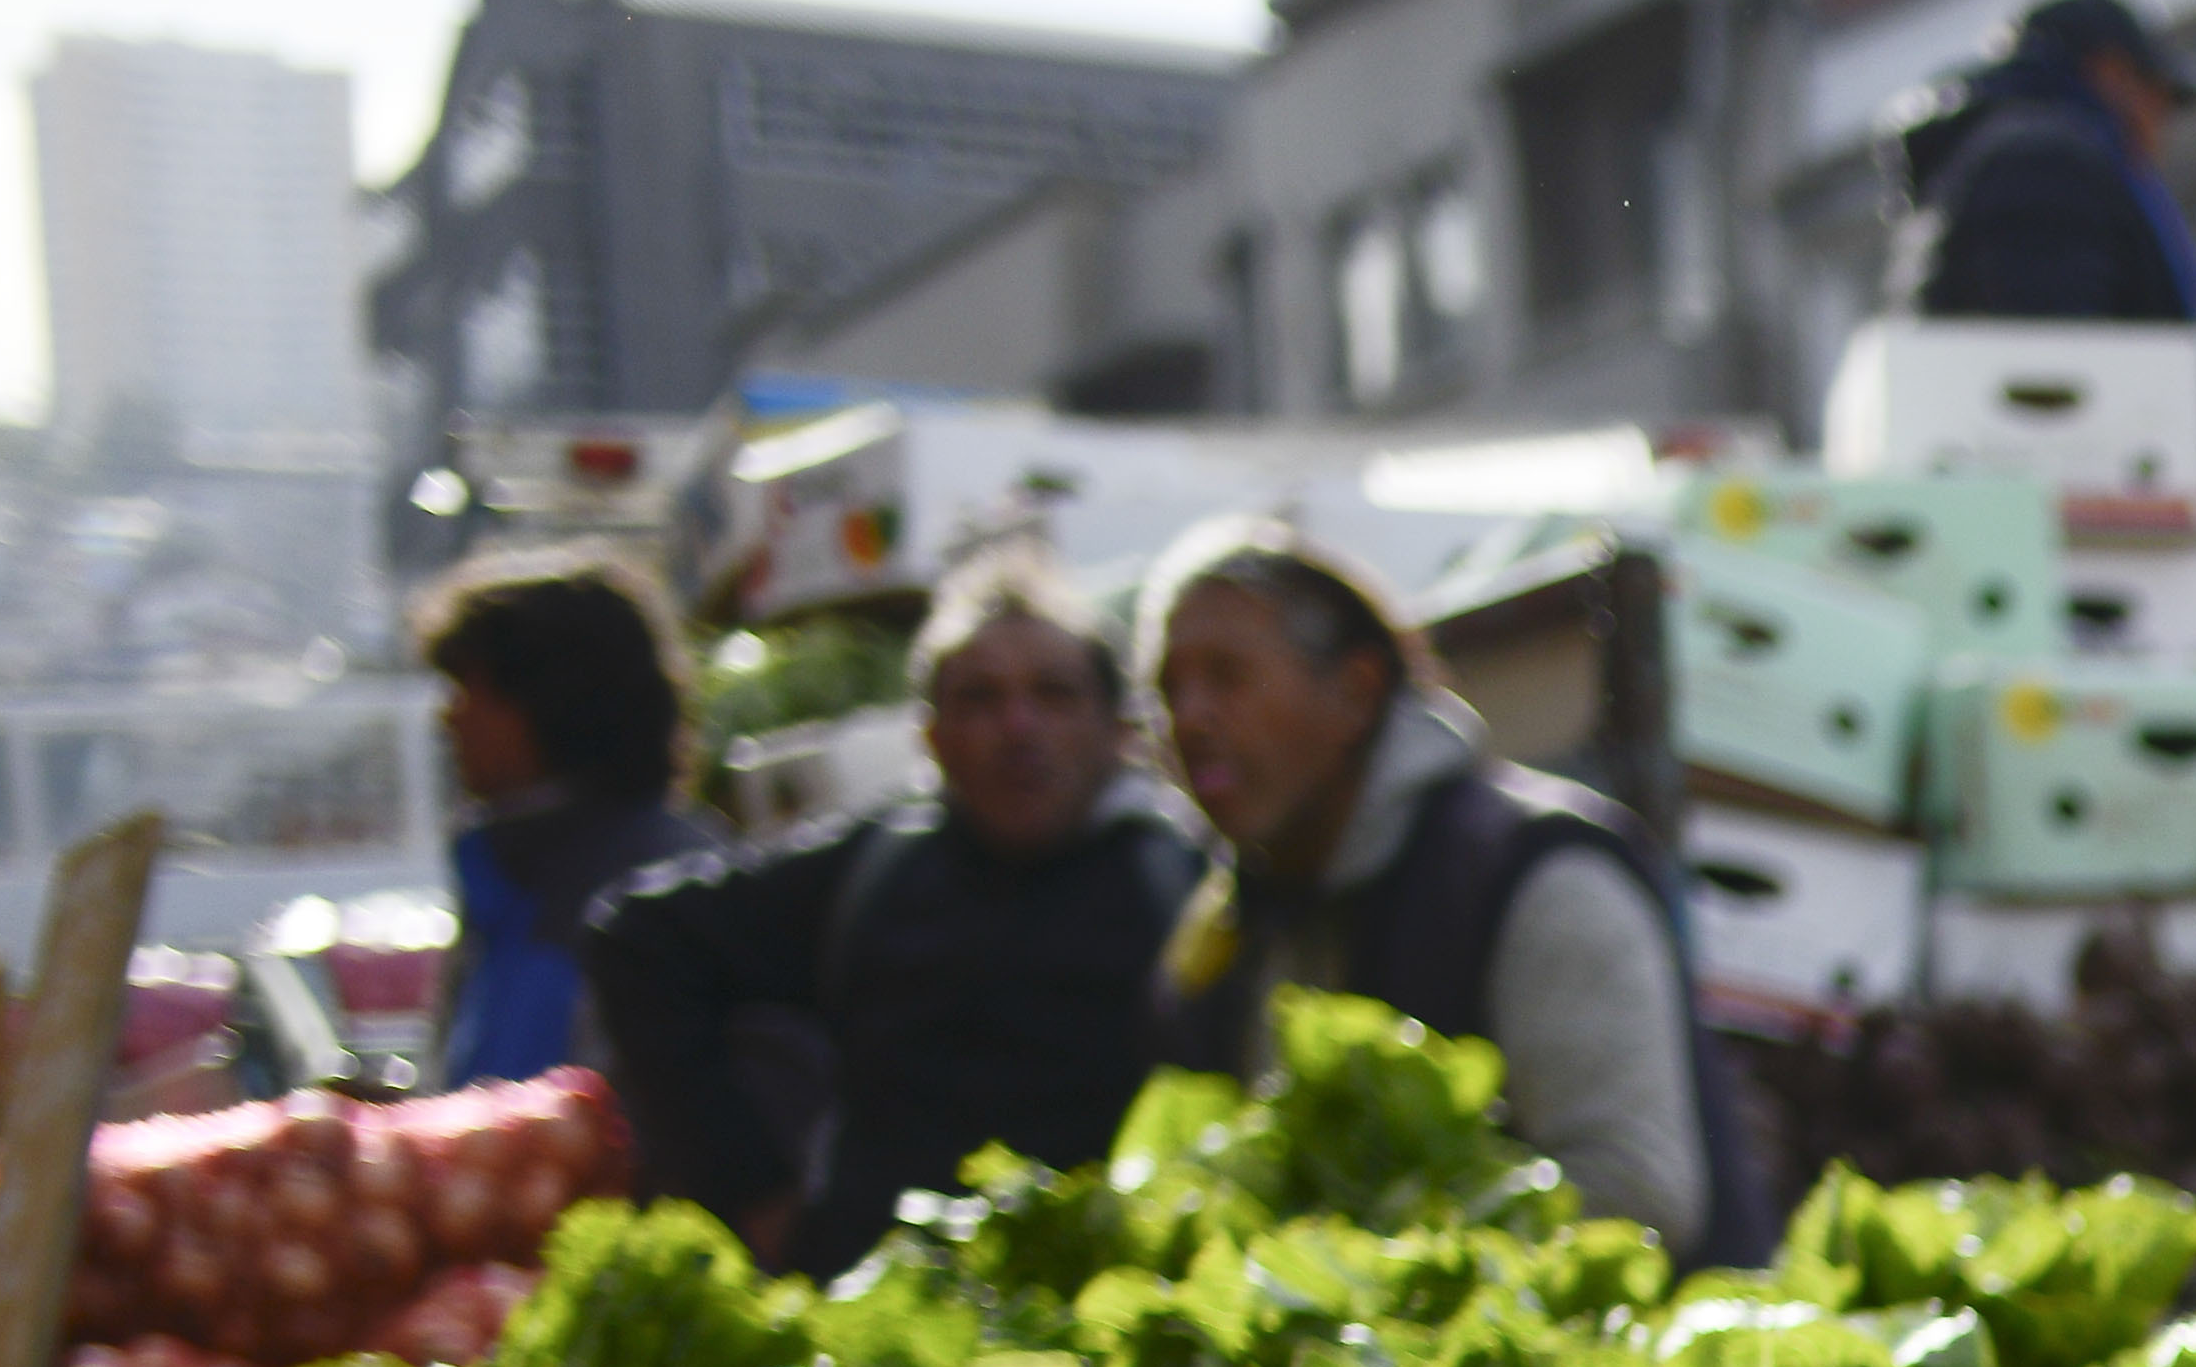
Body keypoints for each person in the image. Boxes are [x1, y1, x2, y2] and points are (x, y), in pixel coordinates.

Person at [1138, 523, 1755, 1260]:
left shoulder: (1539, 876)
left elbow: (1636, 1195)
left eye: (1228, 678)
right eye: (1170, 689)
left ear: (1355, 692)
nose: (1191, 719)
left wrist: (1382, 1279)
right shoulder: (1234, 920)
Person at [582, 546, 1205, 1269]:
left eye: (1055, 695)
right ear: (932, 737)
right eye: (979, 698)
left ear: (1117, 733)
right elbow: (638, 938)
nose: (1018, 728)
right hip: (877, 1318)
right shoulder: (875, 867)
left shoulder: (1183, 884)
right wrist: (749, 1189)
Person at [1885, 0, 2196, 485]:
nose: (2160, 132)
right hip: (2052, 501)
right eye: (2159, 100)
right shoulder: (2042, 161)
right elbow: (2066, 366)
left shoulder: (2003, 154)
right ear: (2112, 73)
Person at [416, 553, 723, 1091]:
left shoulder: (672, 884)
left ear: (544, 699)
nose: (448, 717)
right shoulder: (505, 875)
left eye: (467, 687)